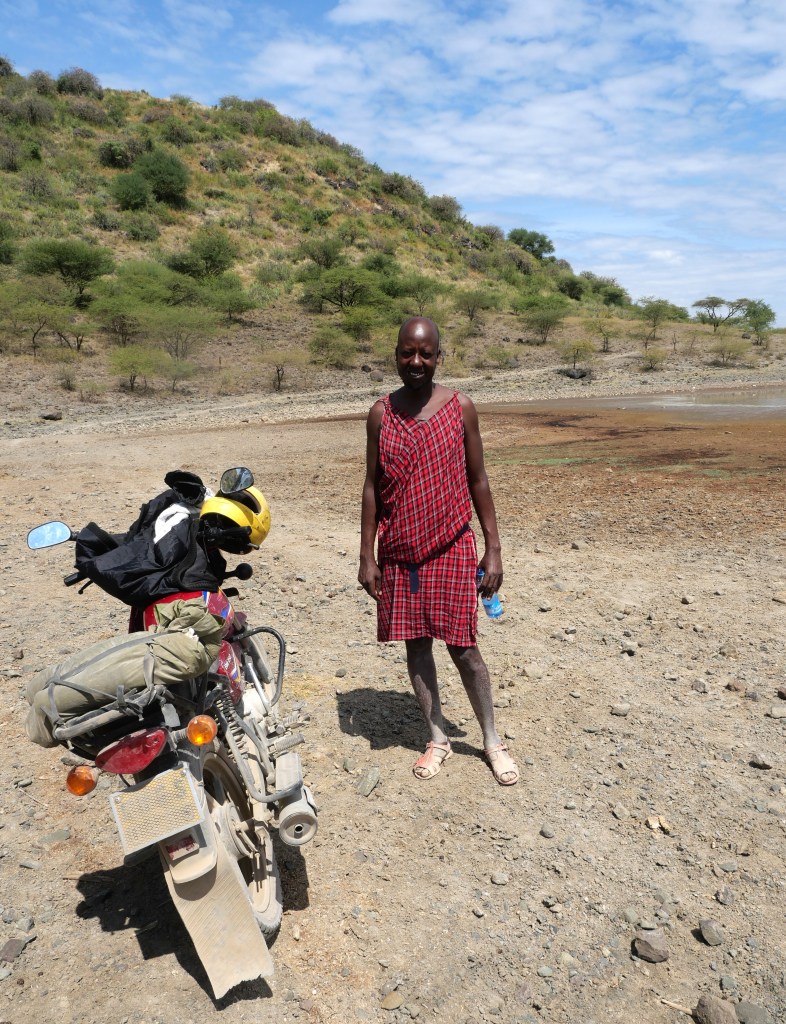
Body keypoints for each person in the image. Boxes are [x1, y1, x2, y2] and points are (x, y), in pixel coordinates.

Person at [358, 317, 518, 785]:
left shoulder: (460, 407)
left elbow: (478, 480)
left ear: (438, 358)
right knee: (416, 644)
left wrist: (493, 548)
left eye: (425, 354)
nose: (416, 362)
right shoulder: (381, 414)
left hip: (451, 545)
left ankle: (491, 740)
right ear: (395, 355)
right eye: (408, 353)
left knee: (464, 647)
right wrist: (367, 555)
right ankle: (437, 736)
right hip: (400, 551)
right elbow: (371, 487)